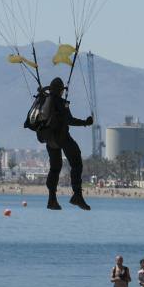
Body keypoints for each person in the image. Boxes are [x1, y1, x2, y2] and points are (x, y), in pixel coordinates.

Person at [39, 77, 93, 210]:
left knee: (55, 168)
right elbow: (70, 120)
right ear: (60, 91)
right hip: (61, 137)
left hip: (48, 139)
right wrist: (85, 122)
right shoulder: (61, 102)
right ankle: (77, 195)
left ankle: (52, 199)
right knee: (76, 162)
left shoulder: (43, 100)